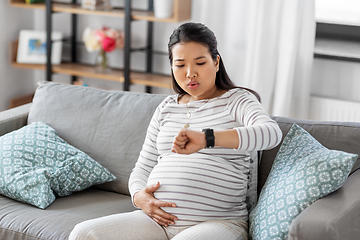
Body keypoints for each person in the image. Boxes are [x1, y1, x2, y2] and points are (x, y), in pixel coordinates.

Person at [69, 22, 282, 240]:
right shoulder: (166, 108)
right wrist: (138, 197)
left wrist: (208, 139)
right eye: (180, 65)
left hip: (219, 223)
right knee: (84, 234)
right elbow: (142, 167)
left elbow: (270, 133)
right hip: (156, 221)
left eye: (200, 62)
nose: (191, 73)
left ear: (216, 62)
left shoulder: (236, 100)